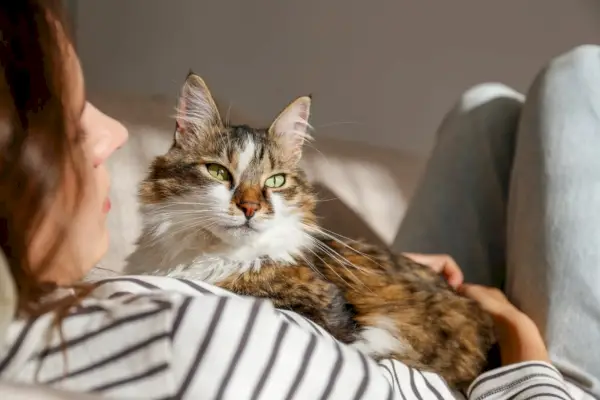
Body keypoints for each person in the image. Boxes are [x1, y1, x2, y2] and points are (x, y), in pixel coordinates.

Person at [0, 1, 592, 399]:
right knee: (578, 76)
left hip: (402, 318)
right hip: (521, 382)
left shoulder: (74, 306)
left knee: (484, 114)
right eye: (73, 123)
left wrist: (388, 275)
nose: (116, 134)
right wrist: (522, 339)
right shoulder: (169, 343)